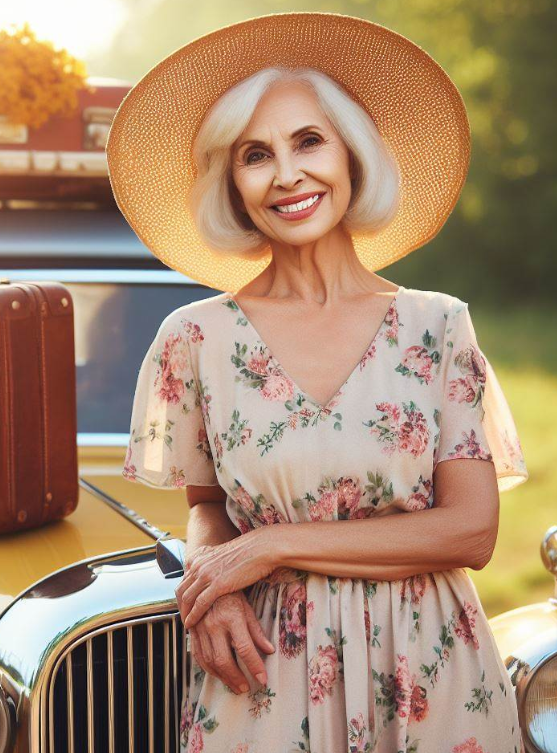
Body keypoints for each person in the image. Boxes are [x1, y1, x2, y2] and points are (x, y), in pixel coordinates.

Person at [108, 12, 528, 753]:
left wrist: (267, 548)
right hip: (264, 674)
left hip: (430, 672)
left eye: (309, 141)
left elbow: (471, 530)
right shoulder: (195, 338)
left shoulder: (437, 327)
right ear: (232, 184)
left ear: (351, 155)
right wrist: (215, 581)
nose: (287, 174)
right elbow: (206, 508)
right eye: (254, 155)